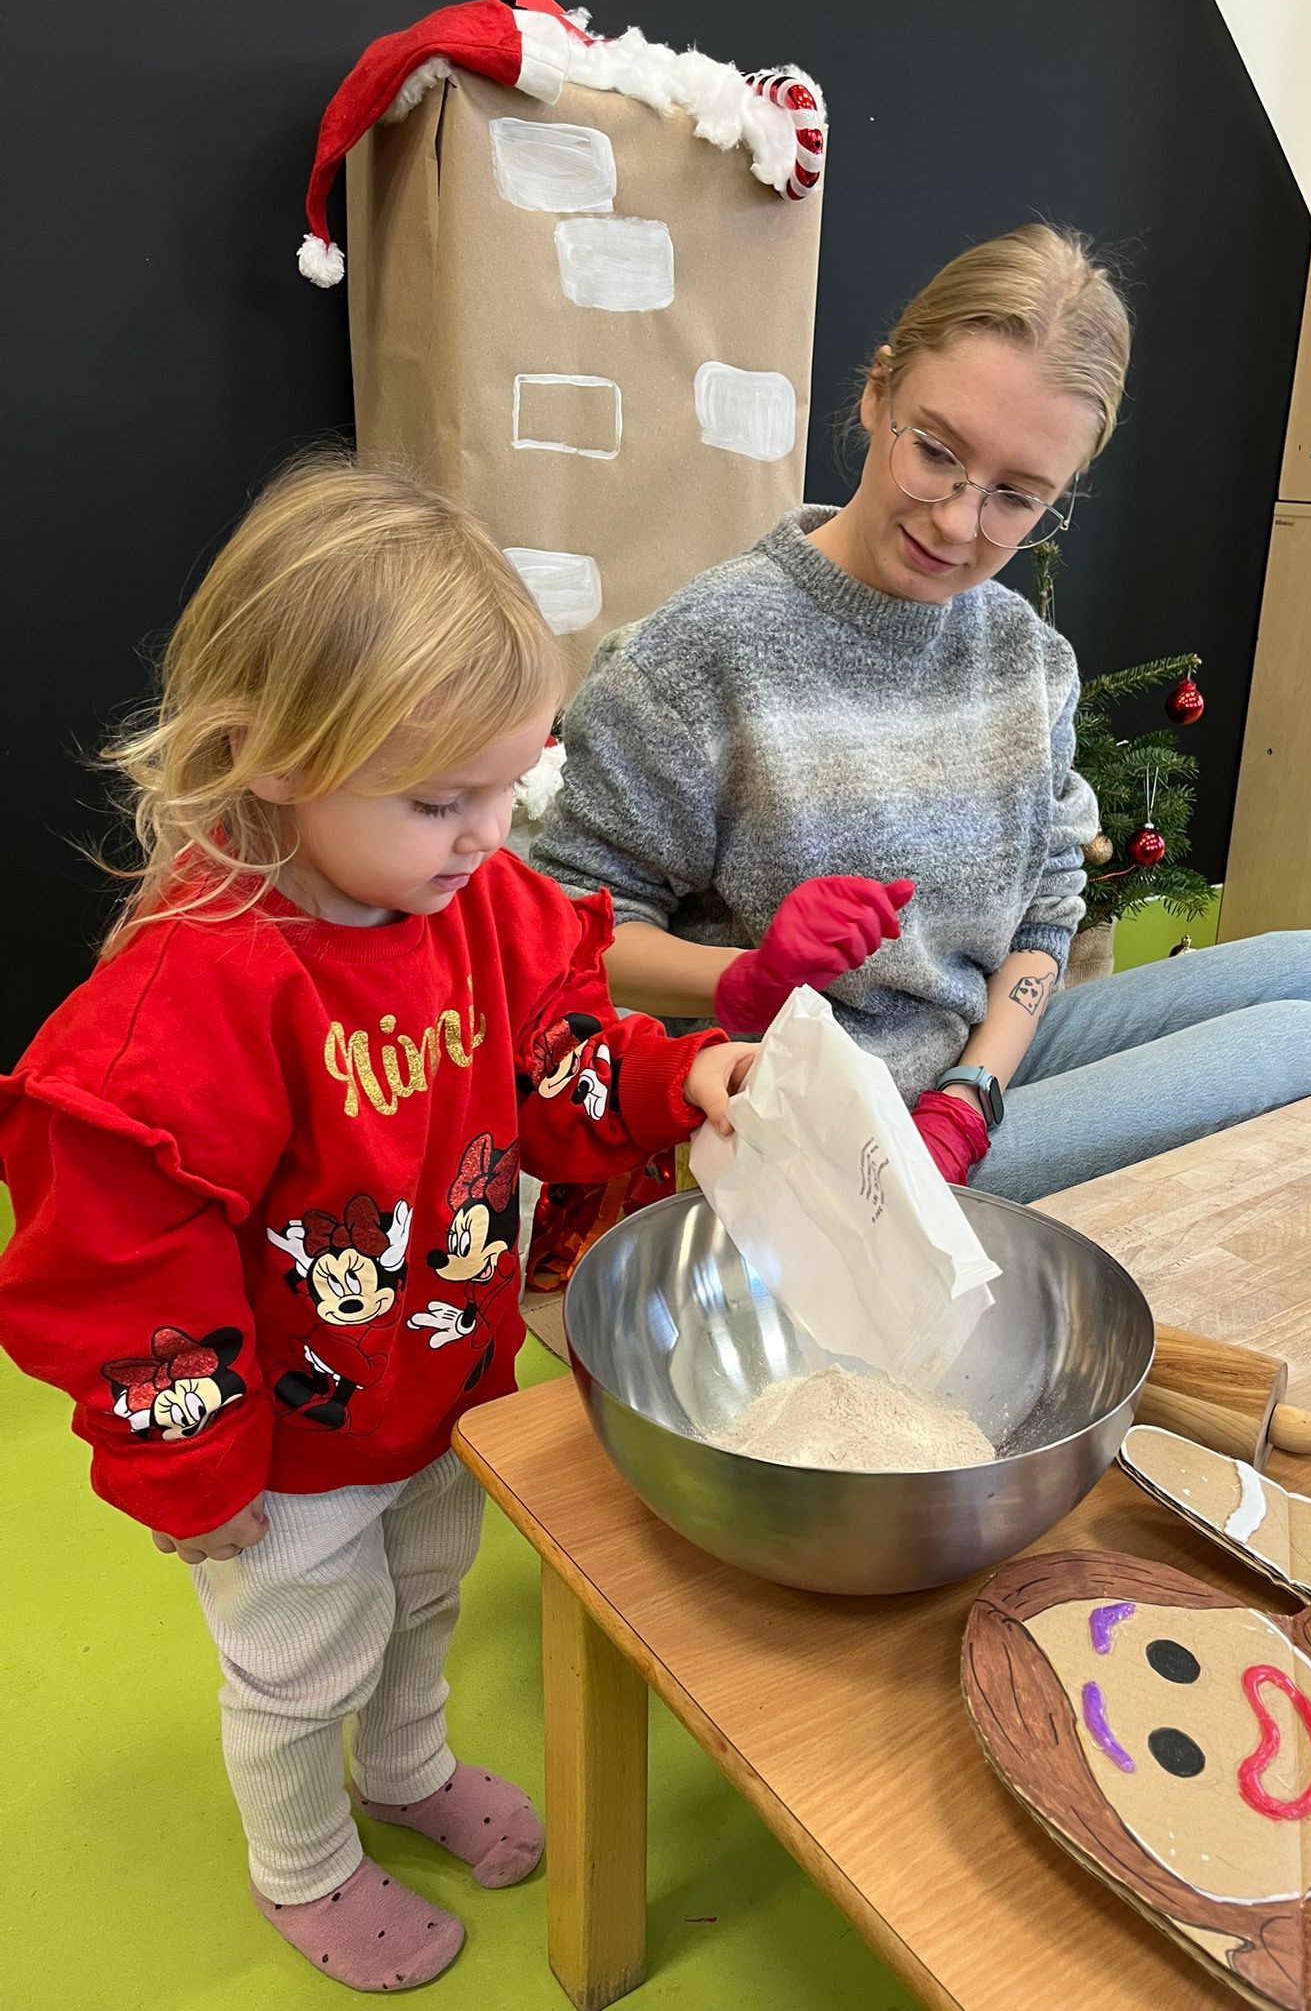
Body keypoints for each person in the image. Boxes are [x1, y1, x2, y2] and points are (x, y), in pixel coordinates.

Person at [0, 458, 754, 1992]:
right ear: (268, 757)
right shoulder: (196, 995)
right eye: (438, 801)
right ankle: (302, 1869)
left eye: (509, 786)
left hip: (439, 1385)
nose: (489, 835)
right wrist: (197, 1471)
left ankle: (405, 1772)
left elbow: (555, 1064)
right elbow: (119, 1266)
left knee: (423, 1600)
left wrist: (675, 1079)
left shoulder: (476, 903)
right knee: (297, 1664)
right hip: (279, 1449)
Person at [533, 225, 1311, 1202]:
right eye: (936, 452)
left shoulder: (1026, 658)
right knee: (1304, 1045)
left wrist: (972, 1094)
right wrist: (745, 977)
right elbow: (560, 935)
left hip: (966, 1067)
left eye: (1017, 497)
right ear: (878, 391)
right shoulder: (698, 655)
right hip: (793, 1119)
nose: (956, 521)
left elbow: (1047, 912)